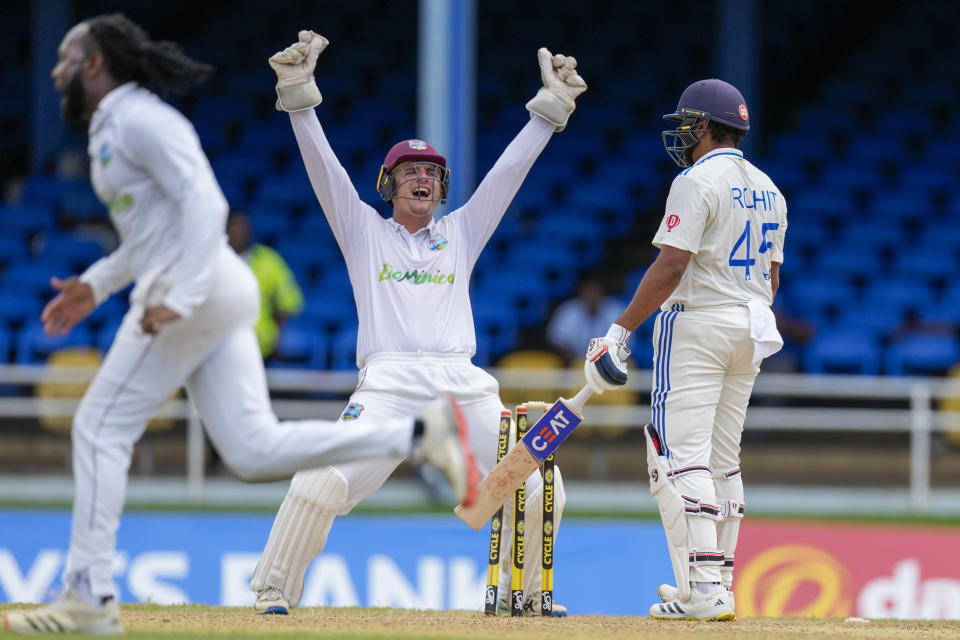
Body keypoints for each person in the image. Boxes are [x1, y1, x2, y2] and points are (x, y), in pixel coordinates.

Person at [3, 15, 476, 636]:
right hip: (206, 287)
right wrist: (97, 283)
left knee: (97, 425)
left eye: (66, 57)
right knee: (253, 450)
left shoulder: (141, 118)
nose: (56, 69)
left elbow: (205, 204)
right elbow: (149, 235)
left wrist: (185, 293)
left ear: (95, 64)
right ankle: (413, 435)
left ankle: (87, 597)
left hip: (196, 287)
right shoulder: (107, 132)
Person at [248, 31, 586, 617]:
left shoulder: (460, 232)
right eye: (409, 171)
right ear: (389, 184)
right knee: (320, 482)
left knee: (535, 482)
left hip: (461, 382)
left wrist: (547, 111)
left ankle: (528, 597)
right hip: (387, 384)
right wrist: (299, 96)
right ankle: (273, 590)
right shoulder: (363, 231)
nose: (422, 178)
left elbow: (508, 174)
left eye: (431, 170)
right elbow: (324, 171)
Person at [582, 79, 787, 621]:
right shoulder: (770, 188)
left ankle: (702, 588)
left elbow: (671, 265)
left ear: (703, 126)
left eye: (687, 124)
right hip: (752, 323)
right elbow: (773, 275)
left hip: (699, 323)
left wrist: (620, 329)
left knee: (681, 456)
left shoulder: (695, 180)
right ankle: (720, 581)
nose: (682, 133)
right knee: (724, 459)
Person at [226, 210, 304, 360]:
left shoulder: (268, 260)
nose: (239, 231)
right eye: (234, 226)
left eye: (243, 227)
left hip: (261, 346)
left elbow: (290, 301)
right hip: (221, 344)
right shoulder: (215, 261)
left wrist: (277, 335)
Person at [546, 274, 624, 364]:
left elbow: (626, 341)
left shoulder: (615, 309)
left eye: (596, 290)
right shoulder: (568, 310)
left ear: (603, 292)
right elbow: (557, 340)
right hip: (574, 363)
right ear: (581, 292)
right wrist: (572, 360)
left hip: (609, 363)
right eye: (589, 290)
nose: (593, 295)